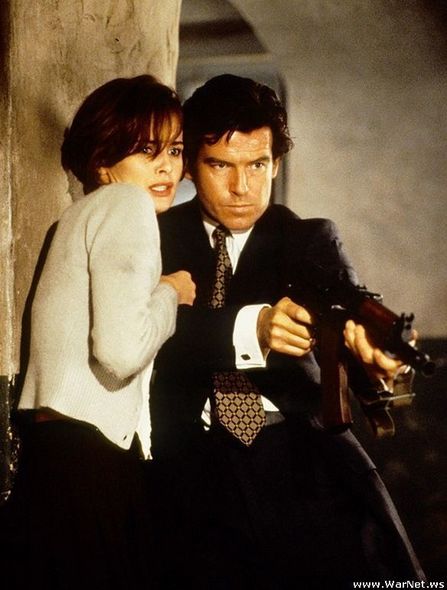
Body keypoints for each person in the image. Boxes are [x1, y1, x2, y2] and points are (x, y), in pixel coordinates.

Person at [150, 74, 425, 589]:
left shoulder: (309, 239)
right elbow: (147, 335)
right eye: (220, 165)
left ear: (276, 163)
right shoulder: (153, 235)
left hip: (303, 468)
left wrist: (377, 362)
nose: (242, 187)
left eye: (257, 165)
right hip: (187, 472)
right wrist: (252, 328)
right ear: (189, 165)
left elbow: (347, 302)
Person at [0, 75, 195, 588]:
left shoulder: (75, 217)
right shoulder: (127, 205)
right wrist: (170, 293)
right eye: (146, 150)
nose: (167, 167)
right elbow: (120, 351)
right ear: (103, 162)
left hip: (52, 455)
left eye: (175, 150)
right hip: (90, 460)